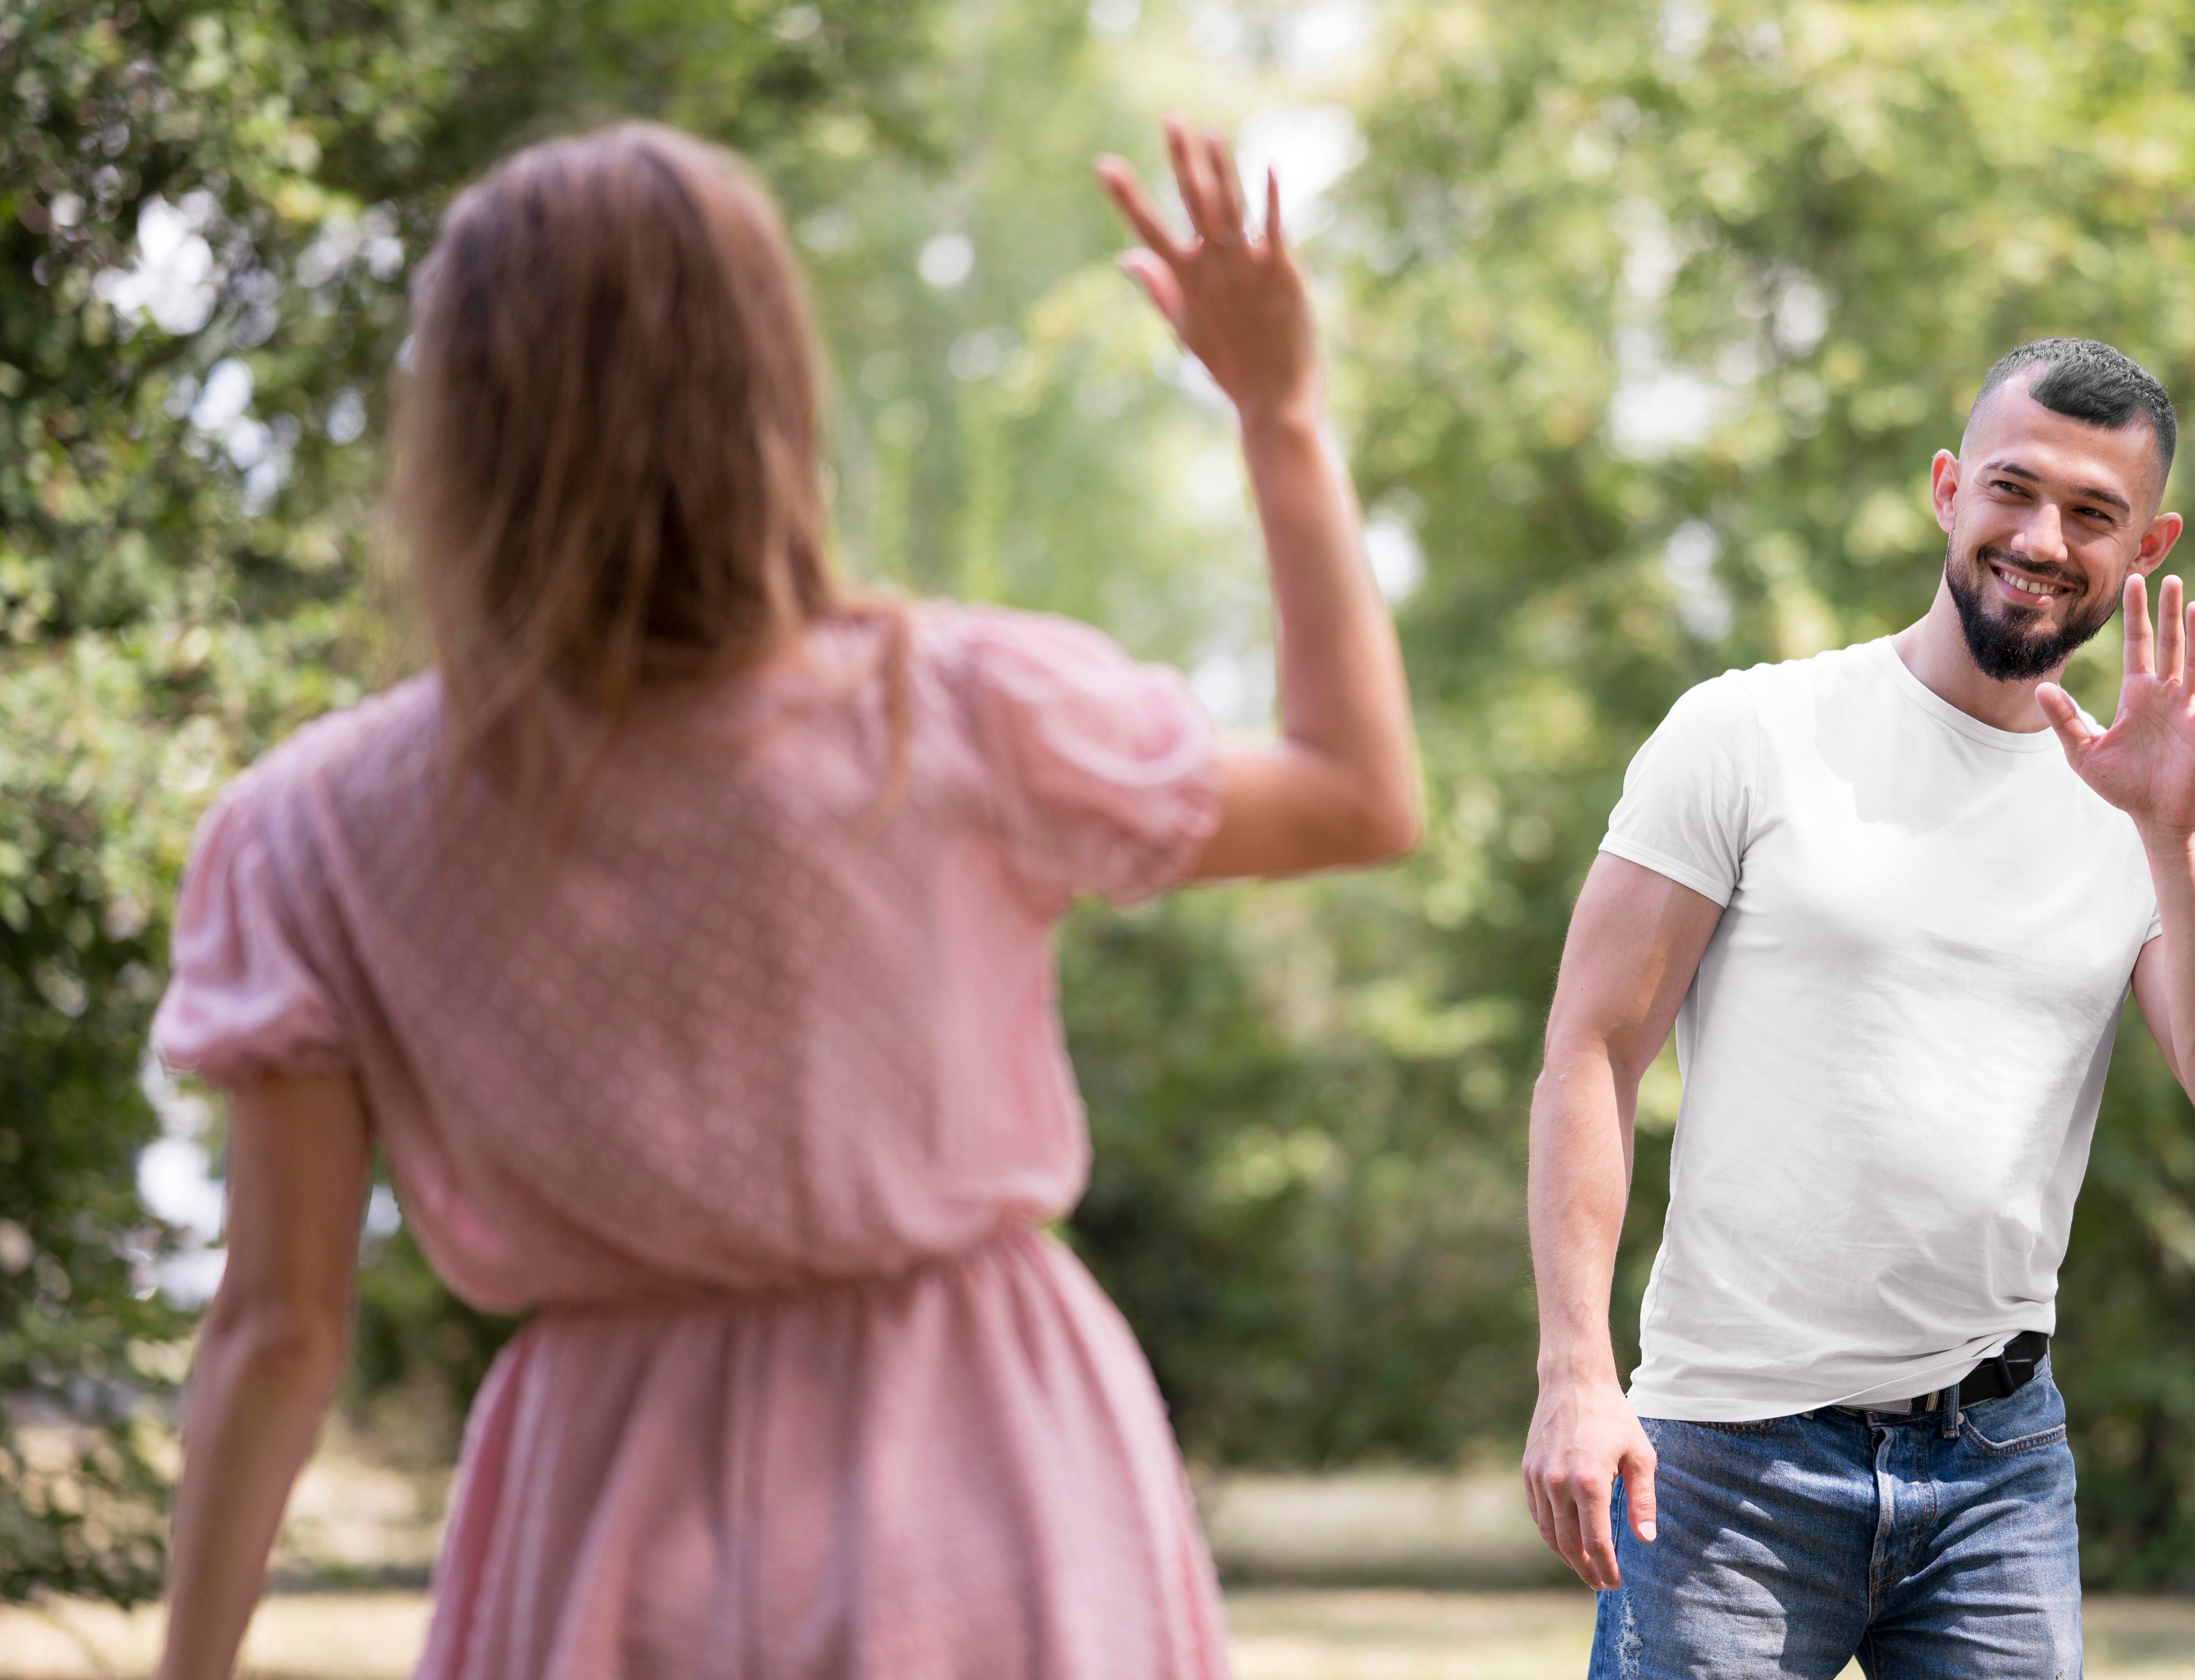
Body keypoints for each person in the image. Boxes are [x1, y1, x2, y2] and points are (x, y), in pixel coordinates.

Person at [147, 116, 1414, 1680]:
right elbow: (1358, 795)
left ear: (457, 421)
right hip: (989, 1484)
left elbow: (279, 1330)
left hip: (597, 1526)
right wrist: (1279, 414)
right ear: (767, 387)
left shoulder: (314, 833)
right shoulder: (952, 713)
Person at [1522, 339, 2195, 1679]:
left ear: (2147, 543)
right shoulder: (1749, 734)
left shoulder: (2146, 803)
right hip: (1725, 1451)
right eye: (2011, 489)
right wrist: (1573, 1371)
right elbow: (1591, 1055)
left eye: (2090, 513)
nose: (2040, 537)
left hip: (1995, 1467)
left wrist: (2176, 837)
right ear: (1946, 488)